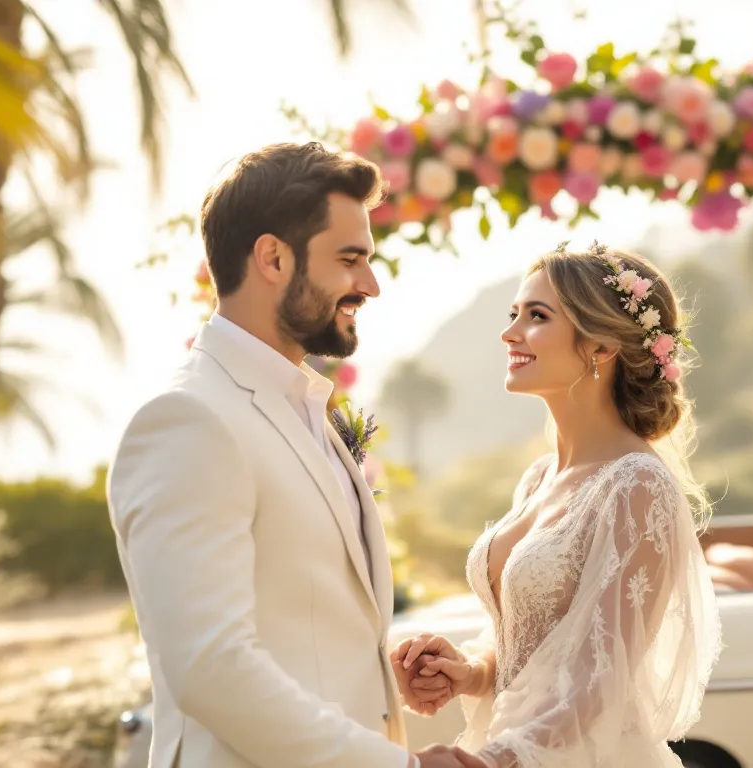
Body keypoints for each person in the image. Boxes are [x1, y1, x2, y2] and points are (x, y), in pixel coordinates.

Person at [107, 142, 485, 768]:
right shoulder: (188, 420)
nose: (370, 284)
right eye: (350, 259)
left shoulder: (306, 408)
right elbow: (210, 666)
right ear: (273, 257)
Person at [390, 243, 722, 767]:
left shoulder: (637, 486)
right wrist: (469, 670)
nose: (510, 331)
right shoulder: (540, 478)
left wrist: (491, 762)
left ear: (601, 347)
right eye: (514, 313)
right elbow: (534, 645)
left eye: (537, 316)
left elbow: (599, 678)